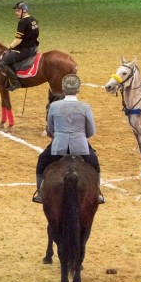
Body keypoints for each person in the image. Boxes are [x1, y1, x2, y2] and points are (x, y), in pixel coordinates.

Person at [32, 74, 104, 204]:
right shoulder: (85, 107)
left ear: (63, 90)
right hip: (80, 145)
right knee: (94, 163)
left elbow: (50, 129)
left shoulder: (54, 106)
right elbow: (91, 131)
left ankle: (40, 193)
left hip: (59, 145)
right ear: (78, 90)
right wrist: (80, 136)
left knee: (42, 161)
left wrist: (58, 135)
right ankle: (97, 193)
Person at [0, 1, 39, 91]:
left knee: (2, 62)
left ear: (24, 11)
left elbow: (18, 40)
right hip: (34, 48)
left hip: (25, 50)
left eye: (18, 11)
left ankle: (16, 83)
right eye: (16, 11)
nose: (16, 13)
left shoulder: (23, 22)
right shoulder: (33, 19)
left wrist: (10, 46)